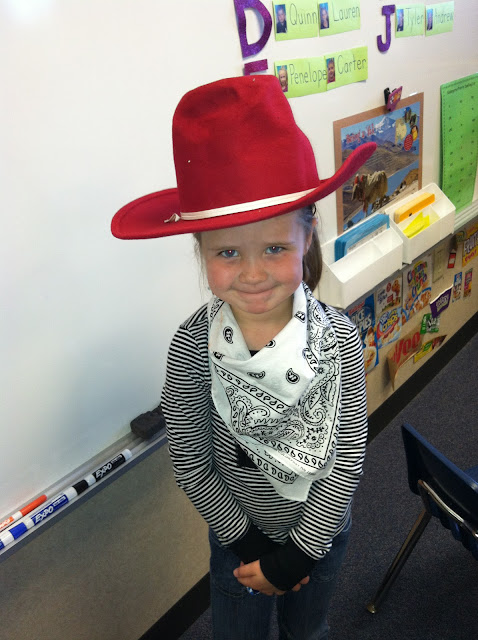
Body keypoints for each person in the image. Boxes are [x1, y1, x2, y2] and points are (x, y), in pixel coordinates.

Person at [111, 75, 376, 640]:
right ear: (200, 250)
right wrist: (250, 545)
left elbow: (347, 457)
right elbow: (191, 460)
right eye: (228, 252)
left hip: (320, 538)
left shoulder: (339, 340)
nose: (252, 274)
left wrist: (299, 554)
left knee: (308, 630)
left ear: (307, 237)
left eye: (274, 248)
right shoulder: (193, 347)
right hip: (239, 542)